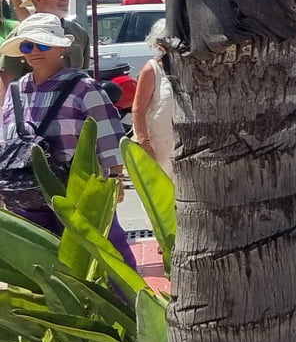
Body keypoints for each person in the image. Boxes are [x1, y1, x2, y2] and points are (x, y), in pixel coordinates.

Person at [0, 13, 131, 261]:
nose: (35, 51)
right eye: (28, 46)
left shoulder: (84, 87)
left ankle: (124, 299)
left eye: (43, 44)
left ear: (62, 47)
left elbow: (107, 132)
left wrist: (115, 176)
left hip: (79, 186)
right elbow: (5, 139)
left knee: (104, 250)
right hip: (27, 188)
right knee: (40, 258)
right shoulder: (17, 90)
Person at [2, 0, 90, 75]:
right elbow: (6, 81)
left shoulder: (78, 32)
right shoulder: (19, 36)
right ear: (37, 0)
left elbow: (83, 73)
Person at [132, 20, 178, 179]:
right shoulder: (152, 68)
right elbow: (138, 110)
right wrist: (145, 145)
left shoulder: (191, 68)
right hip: (159, 145)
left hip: (185, 142)